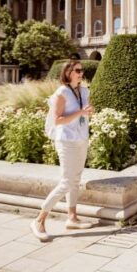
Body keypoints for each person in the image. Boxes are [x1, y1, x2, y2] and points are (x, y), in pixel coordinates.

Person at [31, 61, 95, 242]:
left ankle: (72, 218)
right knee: (66, 181)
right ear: (68, 72)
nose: (81, 73)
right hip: (66, 140)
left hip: (81, 138)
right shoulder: (62, 92)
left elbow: (84, 112)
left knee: (76, 179)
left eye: (81, 70)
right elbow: (58, 120)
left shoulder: (84, 91)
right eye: (77, 70)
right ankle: (39, 220)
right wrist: (81, 113)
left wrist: (88, 112)